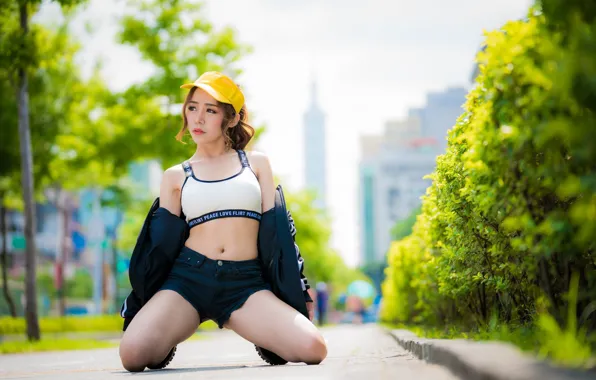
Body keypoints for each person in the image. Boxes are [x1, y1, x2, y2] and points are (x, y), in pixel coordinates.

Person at [118, 72, 327, 372]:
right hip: (189, 280)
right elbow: (160, 248)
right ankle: (169, 333)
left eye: (210, 110)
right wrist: (144, 301)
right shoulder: (175, 176)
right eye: (192, 108)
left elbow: (279, 232)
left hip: (246, 284)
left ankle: (262, 334)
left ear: (230, 119)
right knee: (134, 356)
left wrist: (301, 285)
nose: (198, 118)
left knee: (314, 349)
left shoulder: (256, 164)